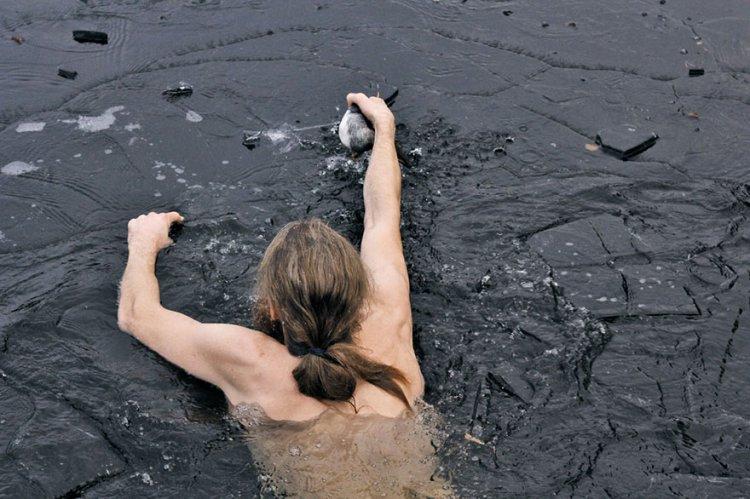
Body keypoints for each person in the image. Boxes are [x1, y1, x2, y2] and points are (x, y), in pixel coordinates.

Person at [118, 93, 451, 497]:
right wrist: (383, 130)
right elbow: (383, 217)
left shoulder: (251, 361)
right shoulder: (388, 319)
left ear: (273, 308)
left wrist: (143, 243)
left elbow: (136, 315)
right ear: (359, 293)